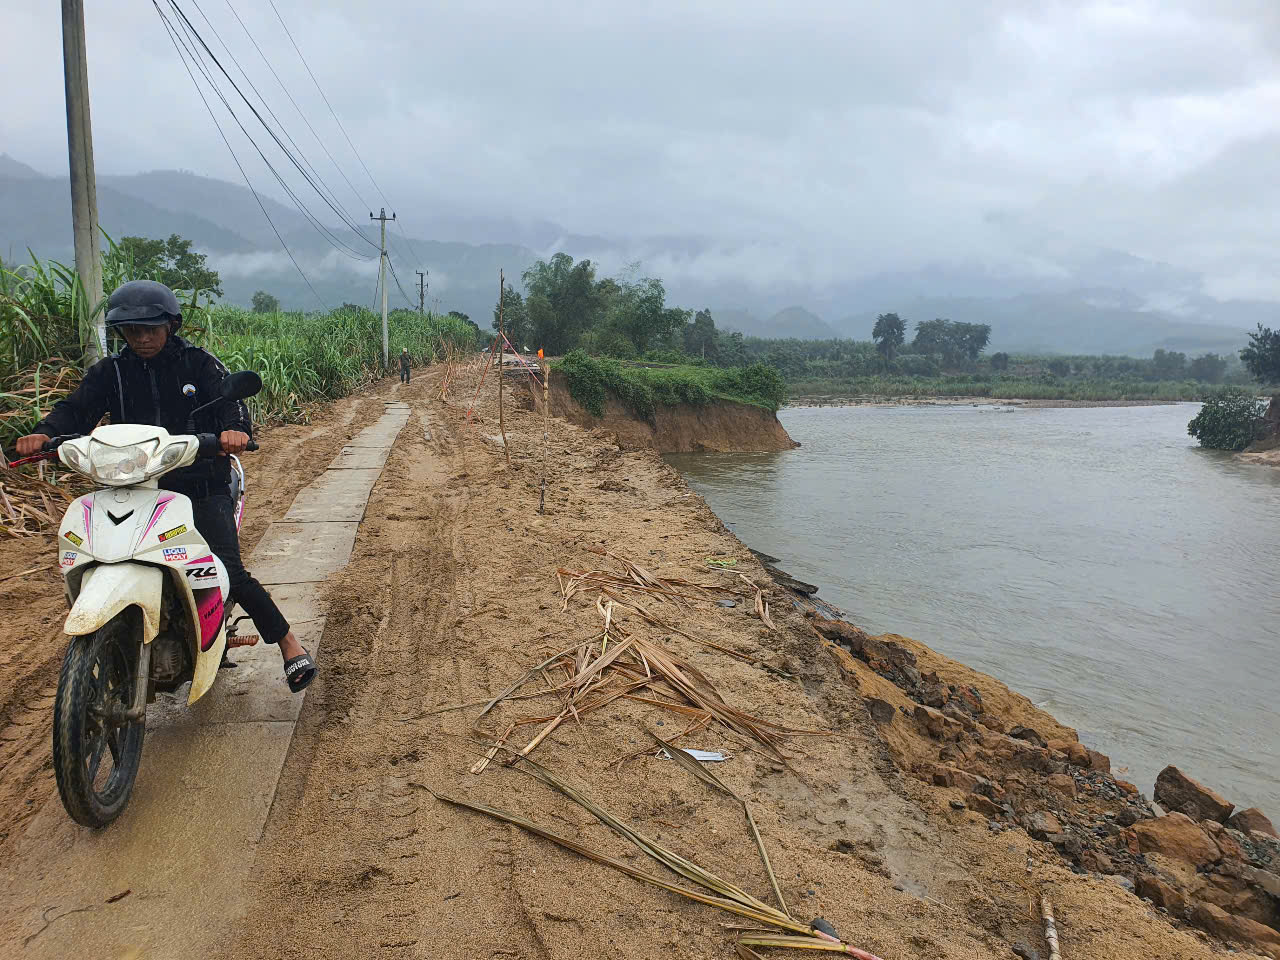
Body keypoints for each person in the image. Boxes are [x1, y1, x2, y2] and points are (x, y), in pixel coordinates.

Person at [15, 280, 317, 692]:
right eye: (132, 330)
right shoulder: (111, 373)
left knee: (226, 570)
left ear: (170, 326)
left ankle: (289, 644)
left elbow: (232, 407)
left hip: (199, 483)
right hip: (132, 484)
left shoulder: (198, 365)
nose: (142, 338)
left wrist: (234, 431)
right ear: (121, 332)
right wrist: (44, 433)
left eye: (151, 329)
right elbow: (75, 409)